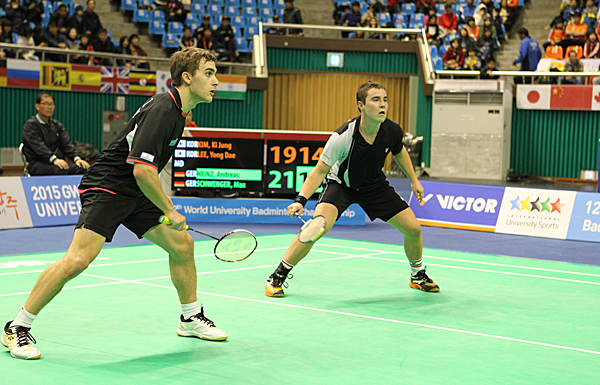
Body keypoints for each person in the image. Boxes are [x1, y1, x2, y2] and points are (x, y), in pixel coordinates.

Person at [2, 48, 226, 361]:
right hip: (108, 186)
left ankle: (189, 318)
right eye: (209, 73)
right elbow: (142, 169)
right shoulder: (164, 109)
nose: (216, 81)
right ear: (187, 77)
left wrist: (164, 207)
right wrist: (169, 209)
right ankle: (17, 326)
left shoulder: (178, 112)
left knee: (182, 245)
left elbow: (145, 173)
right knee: (78, 260)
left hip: (133, 192)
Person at [264, 81, 439, 298]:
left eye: (385, 100)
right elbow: (319, 171)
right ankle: (277, 276)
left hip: (374, 186)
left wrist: (414, 180)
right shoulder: (343, 136)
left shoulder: (392, 130)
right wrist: (301, 200)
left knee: (413, 228)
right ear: (361, 105)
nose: (382, 105)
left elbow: (399, 150)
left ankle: (417, 275)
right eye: (376, 100)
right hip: (341, 185)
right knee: (316, 227)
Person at [21, 92, 90, 177]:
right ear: (37, 106)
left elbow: (66, 144)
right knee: (60, 170)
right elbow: (38, 147)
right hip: (37, 163)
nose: (49, 107)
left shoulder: (57, 125)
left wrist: (77, 158)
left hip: (56, 162)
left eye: (51, 104)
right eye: (45, 104)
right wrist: (53, 159)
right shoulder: (30, 125)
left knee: (82, 169)